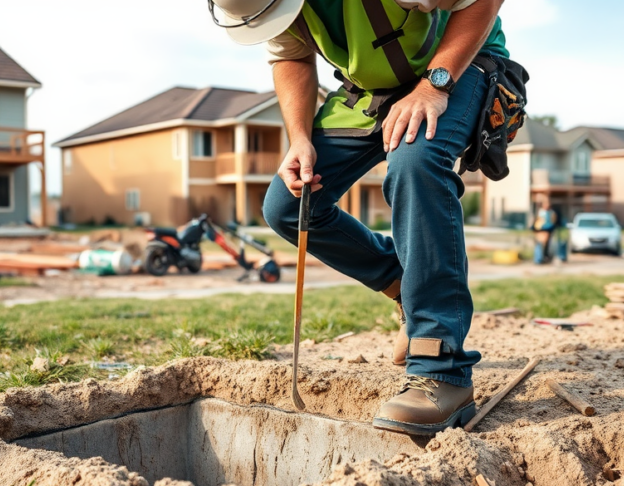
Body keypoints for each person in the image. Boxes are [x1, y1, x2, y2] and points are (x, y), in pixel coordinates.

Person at [208, 0, 508, 435]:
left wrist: (434, 87)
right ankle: (408, 287)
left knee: (416, 160)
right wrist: (299, 139)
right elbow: (292, 56)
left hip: (459, 66)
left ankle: (441, 370)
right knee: (290, 206)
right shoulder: (267, 5)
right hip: (369, 92)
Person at [532, 198, 558, 264]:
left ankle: (545, 257)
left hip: (548, 230)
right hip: (541, 230)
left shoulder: (551, 213)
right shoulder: (540, 212)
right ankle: (539, 259)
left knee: (547, 245)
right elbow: (537, 221)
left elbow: (553, 221)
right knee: (540, 245)